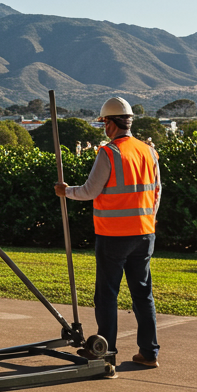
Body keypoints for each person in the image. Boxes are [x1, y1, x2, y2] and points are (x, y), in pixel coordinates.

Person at [55, 97, 161, 368]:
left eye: (104, 122)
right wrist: (147, 220)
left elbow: (91, 191)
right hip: (145, 233)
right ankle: (149, 353)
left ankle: (106, 350)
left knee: (106, 295)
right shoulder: (148, 151)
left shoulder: (109, 152)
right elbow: (157, 192)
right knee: (142, 294)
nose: (103, 127)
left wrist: (65, 192)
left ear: (111, 124)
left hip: (114, 235)